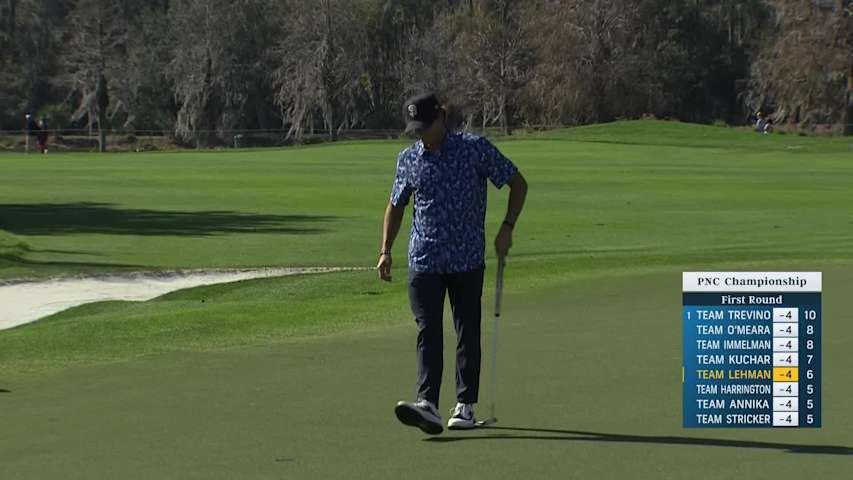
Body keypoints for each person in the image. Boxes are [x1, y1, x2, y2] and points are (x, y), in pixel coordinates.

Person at [377, 92, 528, 435]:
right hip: (424, 258)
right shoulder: (409, 159)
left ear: (442, 118)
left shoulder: (474, 149)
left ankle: (465, 405)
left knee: (466, 331)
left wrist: (507, 228)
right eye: (415, 128)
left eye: (425, 127)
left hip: (466, 258)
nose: (420, 134)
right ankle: (427, 403)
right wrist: (385, 249)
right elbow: (396, 204)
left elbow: (518, 184)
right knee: (427, 329)